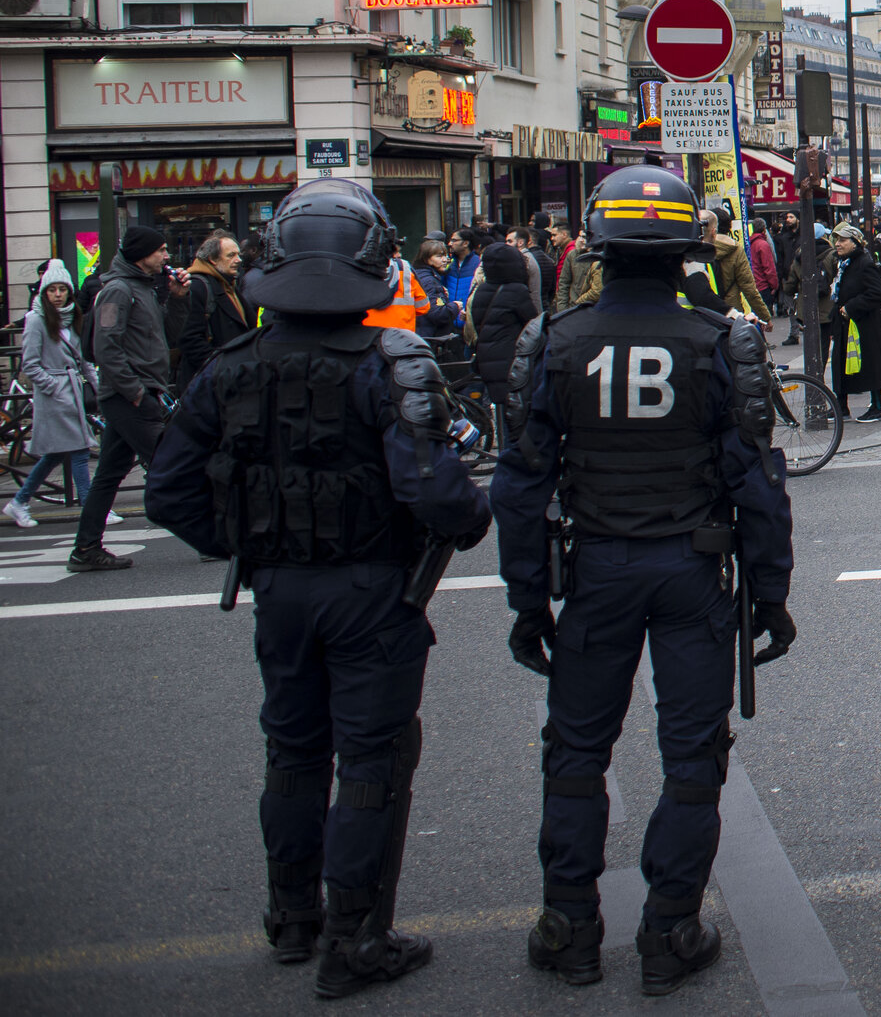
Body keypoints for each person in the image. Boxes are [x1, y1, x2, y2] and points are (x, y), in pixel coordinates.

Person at [146, 179, 491, 996]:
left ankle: (292, 917)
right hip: (374, 588)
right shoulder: (388, 364)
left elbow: (170, 491)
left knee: (293, 752)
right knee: (372, 759)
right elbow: (437, 495)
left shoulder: (231, 367)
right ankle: (355, 938)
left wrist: (251, 542)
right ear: (371, 261)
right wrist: (470, 510)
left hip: (281, 591)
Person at [494, 166, 796, 993]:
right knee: (692, 754)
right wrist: (770, 593)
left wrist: (528, 599)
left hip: (595, 570)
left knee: (577, 750)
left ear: (596, 247)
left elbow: (519, 488)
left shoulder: (553, 341)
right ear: (687, 252)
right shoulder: (720, 342)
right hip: (692, 570)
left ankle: (570, 926)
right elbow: (756, 483)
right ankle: (671, 928)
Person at [73, 226, 186, 573]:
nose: (167, 256)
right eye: (161, 250)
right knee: (176, 464)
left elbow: (170, 335)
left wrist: (178, 298)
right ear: (141, 254)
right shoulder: (118, 291)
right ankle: (215, 539)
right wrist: (135, 392)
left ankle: (85, 548)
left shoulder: (142, 288)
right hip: (130, 397)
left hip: (139, 393)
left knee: (108, 474)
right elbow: (106, 348)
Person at [8, 261, 103, 530]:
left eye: (63, 289)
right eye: (52, 290)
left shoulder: (73, 316)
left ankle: (19, 501)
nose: (58, 294)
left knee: (56, 454)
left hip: (70, 390)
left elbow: (83, 358)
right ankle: (90, 509)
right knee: (80, 450)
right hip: (55, 394)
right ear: (44, 293)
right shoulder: (35, 319)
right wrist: (53, 386)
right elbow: (30, 363)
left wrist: (97, 386)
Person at [469, 242, 540, 431]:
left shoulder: (482, 289)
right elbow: (534, 324)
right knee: (518, 418)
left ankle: (504, 450)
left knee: (503, 412)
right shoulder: (517, 291)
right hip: (512, 361)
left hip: (488, 359)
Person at [830, 223, 881, 423]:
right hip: (846, 323)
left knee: (870, 366)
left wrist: (851, 307)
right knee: (840, 363)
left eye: (842, 240)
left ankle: (877, 407)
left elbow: (876, 293)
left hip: (864, 323)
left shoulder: (864, 263)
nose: (838, 244)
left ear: (855, 243)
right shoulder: (844, 262)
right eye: (836, 240)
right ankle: (840, 406)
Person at [177, 232, 252, 393]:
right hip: (211, 385)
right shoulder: (198, 287)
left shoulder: (228, 285)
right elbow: (190, 339)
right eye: (231, 255)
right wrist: (222, 365)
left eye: (238, 254)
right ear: (213, 259)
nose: (238, 260)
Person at [700, 209, 768, 318]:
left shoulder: (696, 251)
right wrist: (765, 316)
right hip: (732, 312)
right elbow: (749, 287)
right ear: (729, 227)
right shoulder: (736, 250)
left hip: (705, 312)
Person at [411, 239, 465, 351]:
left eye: (446, 256)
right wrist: (455, 306)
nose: (445, 260)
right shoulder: (429, 281)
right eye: (439, 256)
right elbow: (437, 313)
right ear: (427, 259)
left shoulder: (420, 276)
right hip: (432, 339)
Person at [746, 220, 778, 314]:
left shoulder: (748, 243)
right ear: (764, 229)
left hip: (751, 284)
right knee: (764, 316)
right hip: (762, 286)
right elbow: (769, 268)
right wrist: (774, 285)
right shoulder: (762, 244)